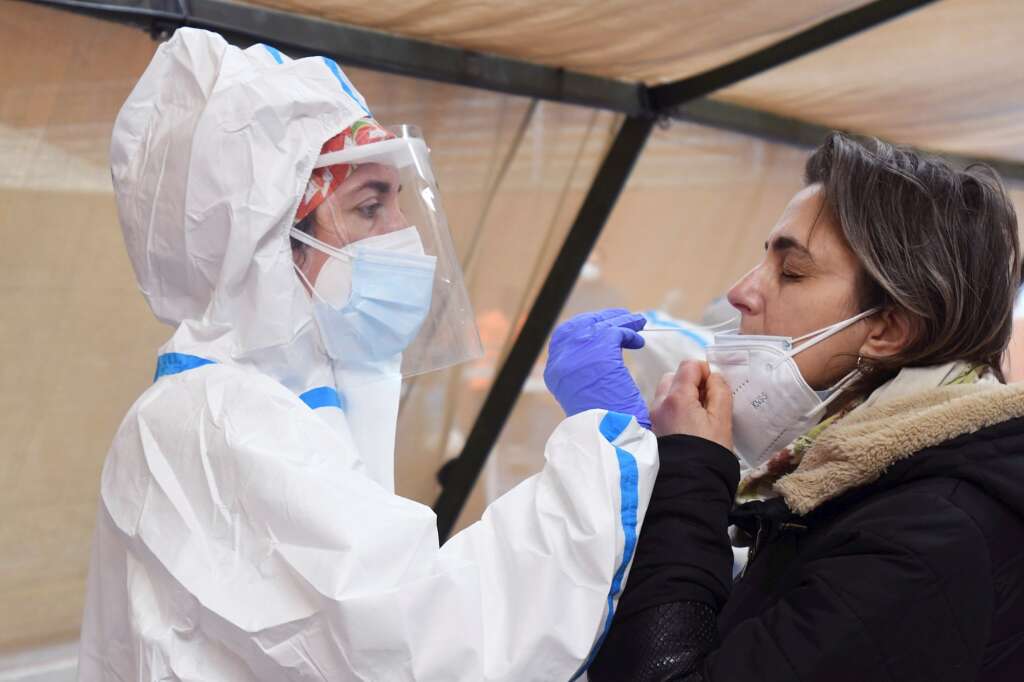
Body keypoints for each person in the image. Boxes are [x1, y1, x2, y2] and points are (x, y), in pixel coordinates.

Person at [78, 29, 664, 681]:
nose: (401, 235)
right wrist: (604, 455)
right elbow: (422, 642)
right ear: (270, 241)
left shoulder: (288, 400)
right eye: (368, 206)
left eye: (397, 200)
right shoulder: (220, 420)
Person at [553, 133, 1024, 680]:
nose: (740, 292)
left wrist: (690, 471)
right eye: (762, 260)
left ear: (890, 330)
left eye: (792, 272)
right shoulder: (870, 470)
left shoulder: (930, 533)